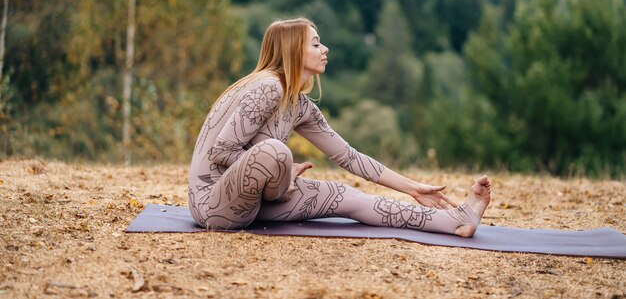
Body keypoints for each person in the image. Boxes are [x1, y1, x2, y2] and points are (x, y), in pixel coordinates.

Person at [188, 18, 491, 237]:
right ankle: (280, 174)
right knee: (276, 152)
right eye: (316, 43)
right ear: (294, 50)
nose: (325, 49)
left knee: (345, 196)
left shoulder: (300, 105)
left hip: (254, 201)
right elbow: (221, 151)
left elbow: (349, 156)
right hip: (214, 207)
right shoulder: (268, 87)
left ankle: (455, 220)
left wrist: (412, 188)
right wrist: (281, 174)